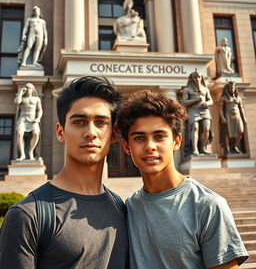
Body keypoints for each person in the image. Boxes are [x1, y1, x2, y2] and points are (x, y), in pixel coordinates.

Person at [0, 76, 129, 269]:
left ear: (112, 134)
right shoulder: (27, 215)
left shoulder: (121, 207)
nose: (91, 132)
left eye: (101, 122)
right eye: (79, 122)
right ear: (60, 132)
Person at [116, 89, 249, 269]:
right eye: (139, 138)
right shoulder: (129, 207)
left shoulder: (208, 206)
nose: (150, 146)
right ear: (126, 146)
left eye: (159, 136)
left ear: (177, 141)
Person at [182, 69, 214, 155]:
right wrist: (196, 100)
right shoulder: (187, 90)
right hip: (193, 110)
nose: (197, 79)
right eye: (195, 77)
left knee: (206, 128)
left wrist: (206, 103)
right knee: (195, 127)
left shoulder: (205, 89)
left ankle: (203, 148)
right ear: (191, 79)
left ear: (201, 78)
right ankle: (195, 149)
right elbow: (184, 102)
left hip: (204, 110)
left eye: (199, 77)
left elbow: (211, 100)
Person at [15, 83, 43, 161]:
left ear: (33, 89)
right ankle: (22, 154)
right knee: (20, 134)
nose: (28, 89)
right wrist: (21, 92)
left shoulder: (36, 99)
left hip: (32, 119)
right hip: (23, 119)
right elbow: (17, 102)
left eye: (30, 88)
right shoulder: (22, 98)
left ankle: (31, 152)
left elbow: (40, 110)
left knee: (36, 134)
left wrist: (38, 118)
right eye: (26, 87)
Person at [220, 81, 247, 154]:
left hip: (237, 116)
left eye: (233, 88)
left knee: (241, 131)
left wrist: (244, 117)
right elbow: (221, 109)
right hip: (228, 115)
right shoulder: (224, 97)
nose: (231, 89)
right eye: (230, 88)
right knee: (228, 133)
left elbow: (241, 108)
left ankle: (234, 146)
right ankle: (227, 148)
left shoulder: (238, 98)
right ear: (227, 89)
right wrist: (223, 118)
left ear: (235, 88)